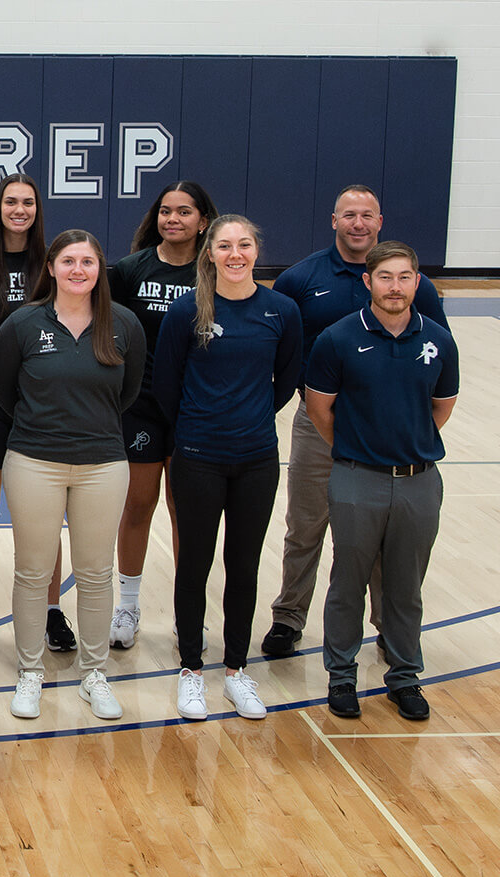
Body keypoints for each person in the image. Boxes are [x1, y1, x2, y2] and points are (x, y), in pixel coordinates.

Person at [265, 185, 449, 657]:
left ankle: (389, 628)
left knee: (385, 533)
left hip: (389, 431)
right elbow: (279, 348)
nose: (358, 223)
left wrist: (407, 426)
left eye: (367, 215)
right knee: (306, 524)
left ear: (380, 221)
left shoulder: (415, 285)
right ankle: (289, 617)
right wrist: (333, 430)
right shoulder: (301, 278)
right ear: (333, 221)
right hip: (318, 419)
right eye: (349, 214)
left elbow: (438, 359)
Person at [152, 216, 301, 720]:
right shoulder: (187, 310)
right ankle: (191, 669)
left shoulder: (281, 311)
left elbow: (285, 383)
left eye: (244, 245)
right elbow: (167, 384)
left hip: (257, 459)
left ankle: (237, 669)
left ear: (256, 251)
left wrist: (249, 417)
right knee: (194, 562)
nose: (234, 254)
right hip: (197, 458)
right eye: (224, 246)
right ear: (209, 253)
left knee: (244, 564)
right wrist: (200, 427)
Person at [0, 230, 145, 721]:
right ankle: (31, 671)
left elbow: (129, 393)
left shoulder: (123, 325)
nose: (78, 270)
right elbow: (2, 392)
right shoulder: (21, 324)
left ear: (100, 269)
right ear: (52, 267)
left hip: (103, 462)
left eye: (88, 262)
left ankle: (94, 673)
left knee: (98, 572)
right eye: (68, 261)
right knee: (34, 571)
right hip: (34, 459)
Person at [306, 241, 458, 721]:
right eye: (385, 277)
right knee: (347, 582)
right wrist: (361, 448)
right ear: (368, 282)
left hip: (419, 482)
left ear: (418, 282)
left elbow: (441, 408)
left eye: (405, 277)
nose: (396, 287)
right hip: (356, 478)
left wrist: (404, 445)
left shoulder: (438, 340)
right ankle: (342, 677)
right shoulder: (337, 338)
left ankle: (405, 677)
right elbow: (319, 410)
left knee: (405, 586)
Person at [106, 181, 218, 649]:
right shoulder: (131, 270)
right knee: (137, 505)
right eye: (165, 212)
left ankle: (186, 611)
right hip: (143, 405)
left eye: (184, 212)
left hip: (197, 408)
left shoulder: (214, 271)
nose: (173, 220)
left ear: (203, 221)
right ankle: (127, 606)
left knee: (186, 513)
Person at [0, 173, 67, 655]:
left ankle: (50, 612)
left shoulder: (54, 264)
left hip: (43, 405)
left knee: (44, 521)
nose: (19, 209)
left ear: (37, 208)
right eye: (10, 201)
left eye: (28, 202)